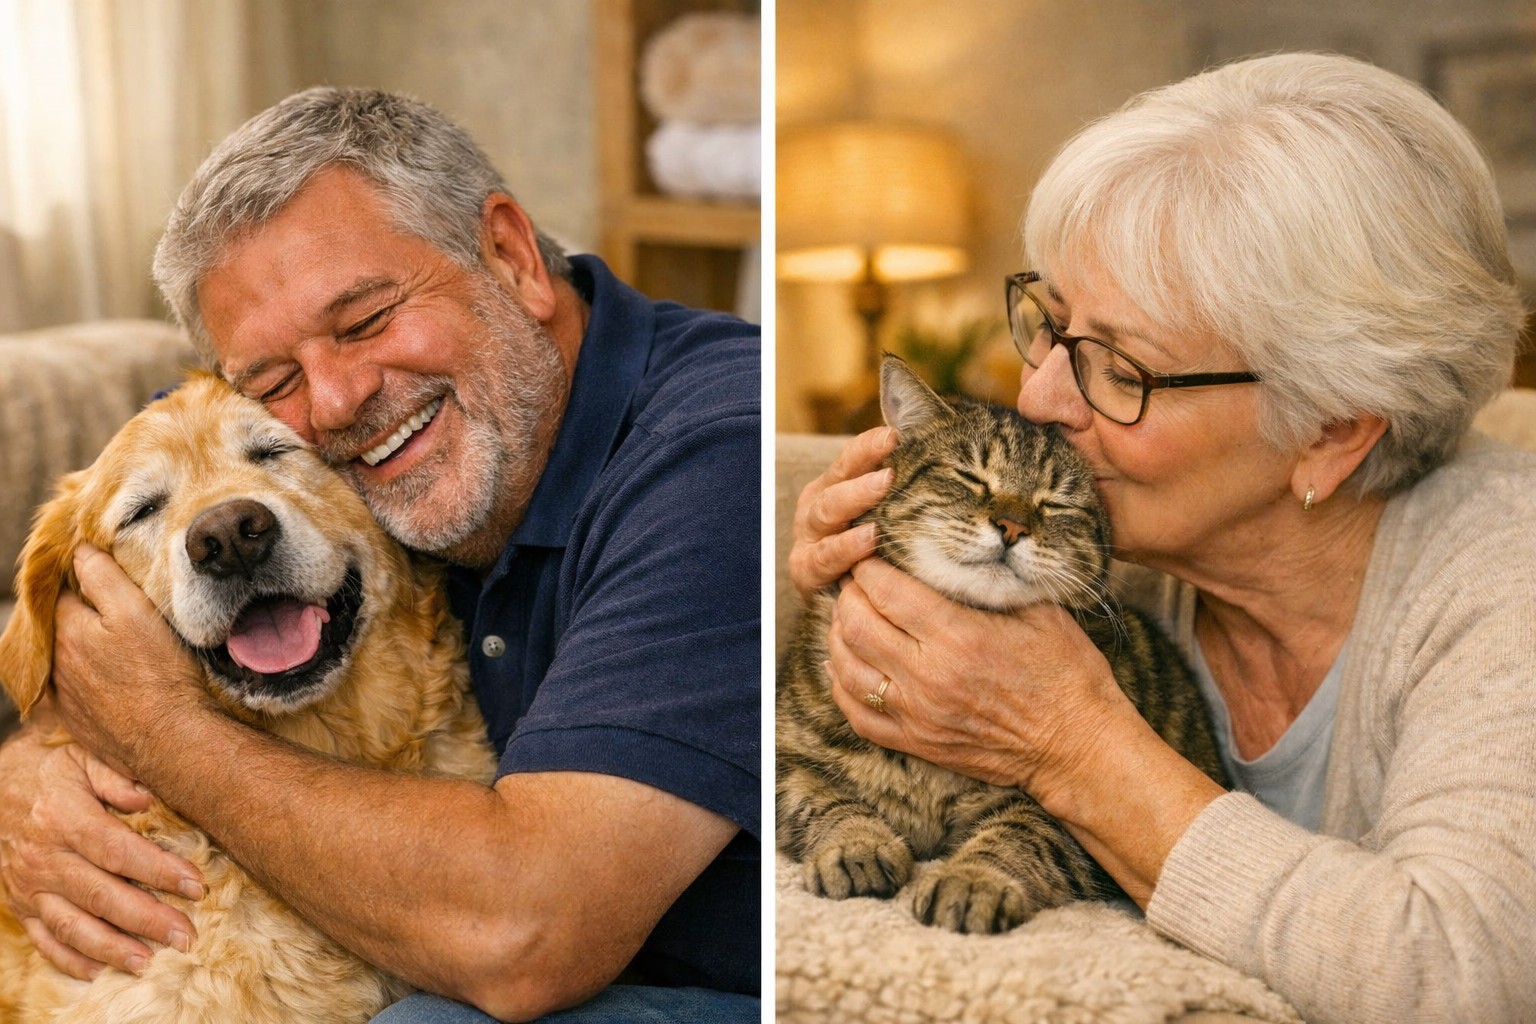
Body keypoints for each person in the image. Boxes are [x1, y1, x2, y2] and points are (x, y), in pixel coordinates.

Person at [790, 53, 1536, 1024]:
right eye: (1050, 326)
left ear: (1332, 430)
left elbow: (1458, 977)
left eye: (1119, 367)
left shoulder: (1506, 582)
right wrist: (828, 537)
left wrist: (1072, 744)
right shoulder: (1125, 538)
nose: (1040, 399)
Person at [0, 88, 759, 1023]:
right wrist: (32, 770)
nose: (335, 402)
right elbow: (167, 501)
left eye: (366, 322)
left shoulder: (721, 450)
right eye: (272, 382)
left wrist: (156, 732)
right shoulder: (291, 440)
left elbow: (527, 936)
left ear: (513, 258)